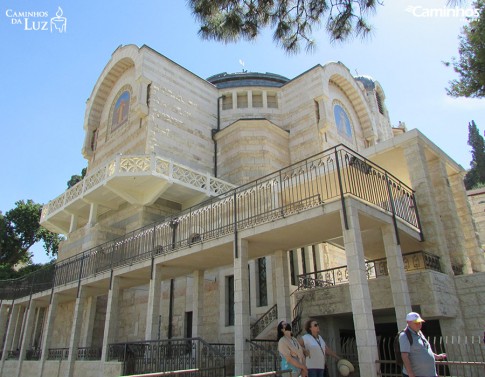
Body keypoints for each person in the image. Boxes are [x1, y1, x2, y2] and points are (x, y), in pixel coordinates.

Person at [399, 312, 446, 377]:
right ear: (408, 322)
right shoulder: (404, 335)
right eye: (417, 323)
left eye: (420, 322)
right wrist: (410, 374)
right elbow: (404, 356)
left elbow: (424, 348)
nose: (419, 324)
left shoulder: (419, 332)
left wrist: (436, 356)